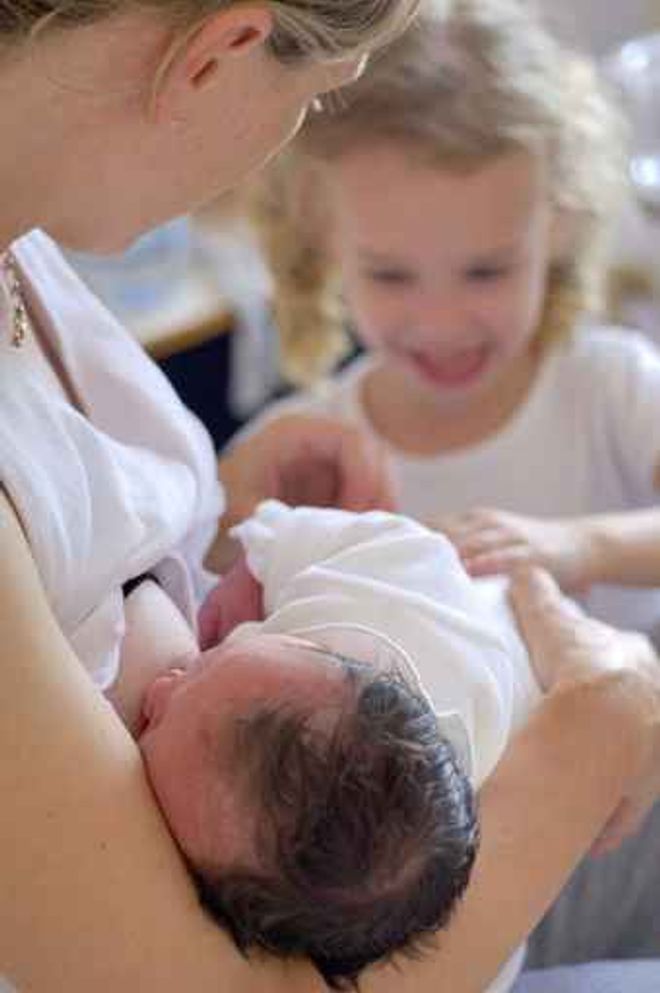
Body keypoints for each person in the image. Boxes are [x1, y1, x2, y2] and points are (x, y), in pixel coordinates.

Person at [1, 0, 660, 990]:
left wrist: (218, 514)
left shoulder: (28, 245)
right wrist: (587, 741)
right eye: (314, 100)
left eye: (484, 267)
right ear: (218, 51)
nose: (438, 316)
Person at [246, 0, 660, 639]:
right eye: (391, 275)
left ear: (559, 227)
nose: (441, 321)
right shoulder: (306, 454)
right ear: (323, 245)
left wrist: (583, 546)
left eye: (486, 271)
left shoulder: (610, 385)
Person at [129, 499, 541, 989]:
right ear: (307, 644)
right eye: (205, 662)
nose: (160, 686)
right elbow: (388, 540)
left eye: (151, 724)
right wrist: (255, 568)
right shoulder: (372, 589)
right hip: (501, 620)